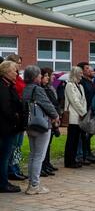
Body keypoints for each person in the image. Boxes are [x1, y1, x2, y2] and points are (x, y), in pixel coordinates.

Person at [23, 65, 59, 195]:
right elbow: (47, 104)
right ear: (34, 77)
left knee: (33, 155)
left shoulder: (25, 88)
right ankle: (34, 185)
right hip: (41, 125)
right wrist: (55, 116)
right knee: (39, 156)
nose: (41, 76)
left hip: (30, 124)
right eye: (39, 75)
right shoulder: (37, 89)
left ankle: (31, 183)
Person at [0, 61, 23, 193]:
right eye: (14, 71)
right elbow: (6, 108)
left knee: (5, 156)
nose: (16, 73)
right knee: (4, 156)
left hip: (9, 127)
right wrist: (16, 117)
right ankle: (3, 183)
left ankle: (3, 181)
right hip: (5, 128)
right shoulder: (3, 86)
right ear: (7, 72)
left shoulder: (8, 85)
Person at [6, 55, 27, 181]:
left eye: (20, 63)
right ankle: (11, 169)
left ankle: (16, 167)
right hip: (15, 116)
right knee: (13, 145)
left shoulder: (19, 78)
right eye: (17, 63)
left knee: (18, 145)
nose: (19, 65)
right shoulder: (12, 80)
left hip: (21, 115)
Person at [64, 67, 87, 168]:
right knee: (71, 140)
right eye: (80, 73)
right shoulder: (69, 85)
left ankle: (74, 159)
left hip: (80, 116)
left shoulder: (80, 86)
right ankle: (69, 161)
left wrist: (84, 112)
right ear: (76, 74)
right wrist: (83, 112)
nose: (82, 75)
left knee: (76, 140)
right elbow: (74, 101)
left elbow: (84, 100)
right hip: (73, 116)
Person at [40, 68, 61, 177]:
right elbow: (48, 104)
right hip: (47, 119)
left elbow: (54, 103)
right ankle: (42, 166)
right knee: (43, 145)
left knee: (48, 144)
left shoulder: (48, 88)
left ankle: (46, 163)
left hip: (52, 118)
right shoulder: (41, 89)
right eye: (47, 75)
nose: (49, 77)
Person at [77, 62, 95, 164]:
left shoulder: (91, 82)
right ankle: (81, 155)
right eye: (87, 68)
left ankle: (87, 153)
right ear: (82, 71)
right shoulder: (82, 83)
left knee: (88, 134)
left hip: (91, 111)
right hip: (84, 112)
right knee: (82, 134)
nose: (90, 70)